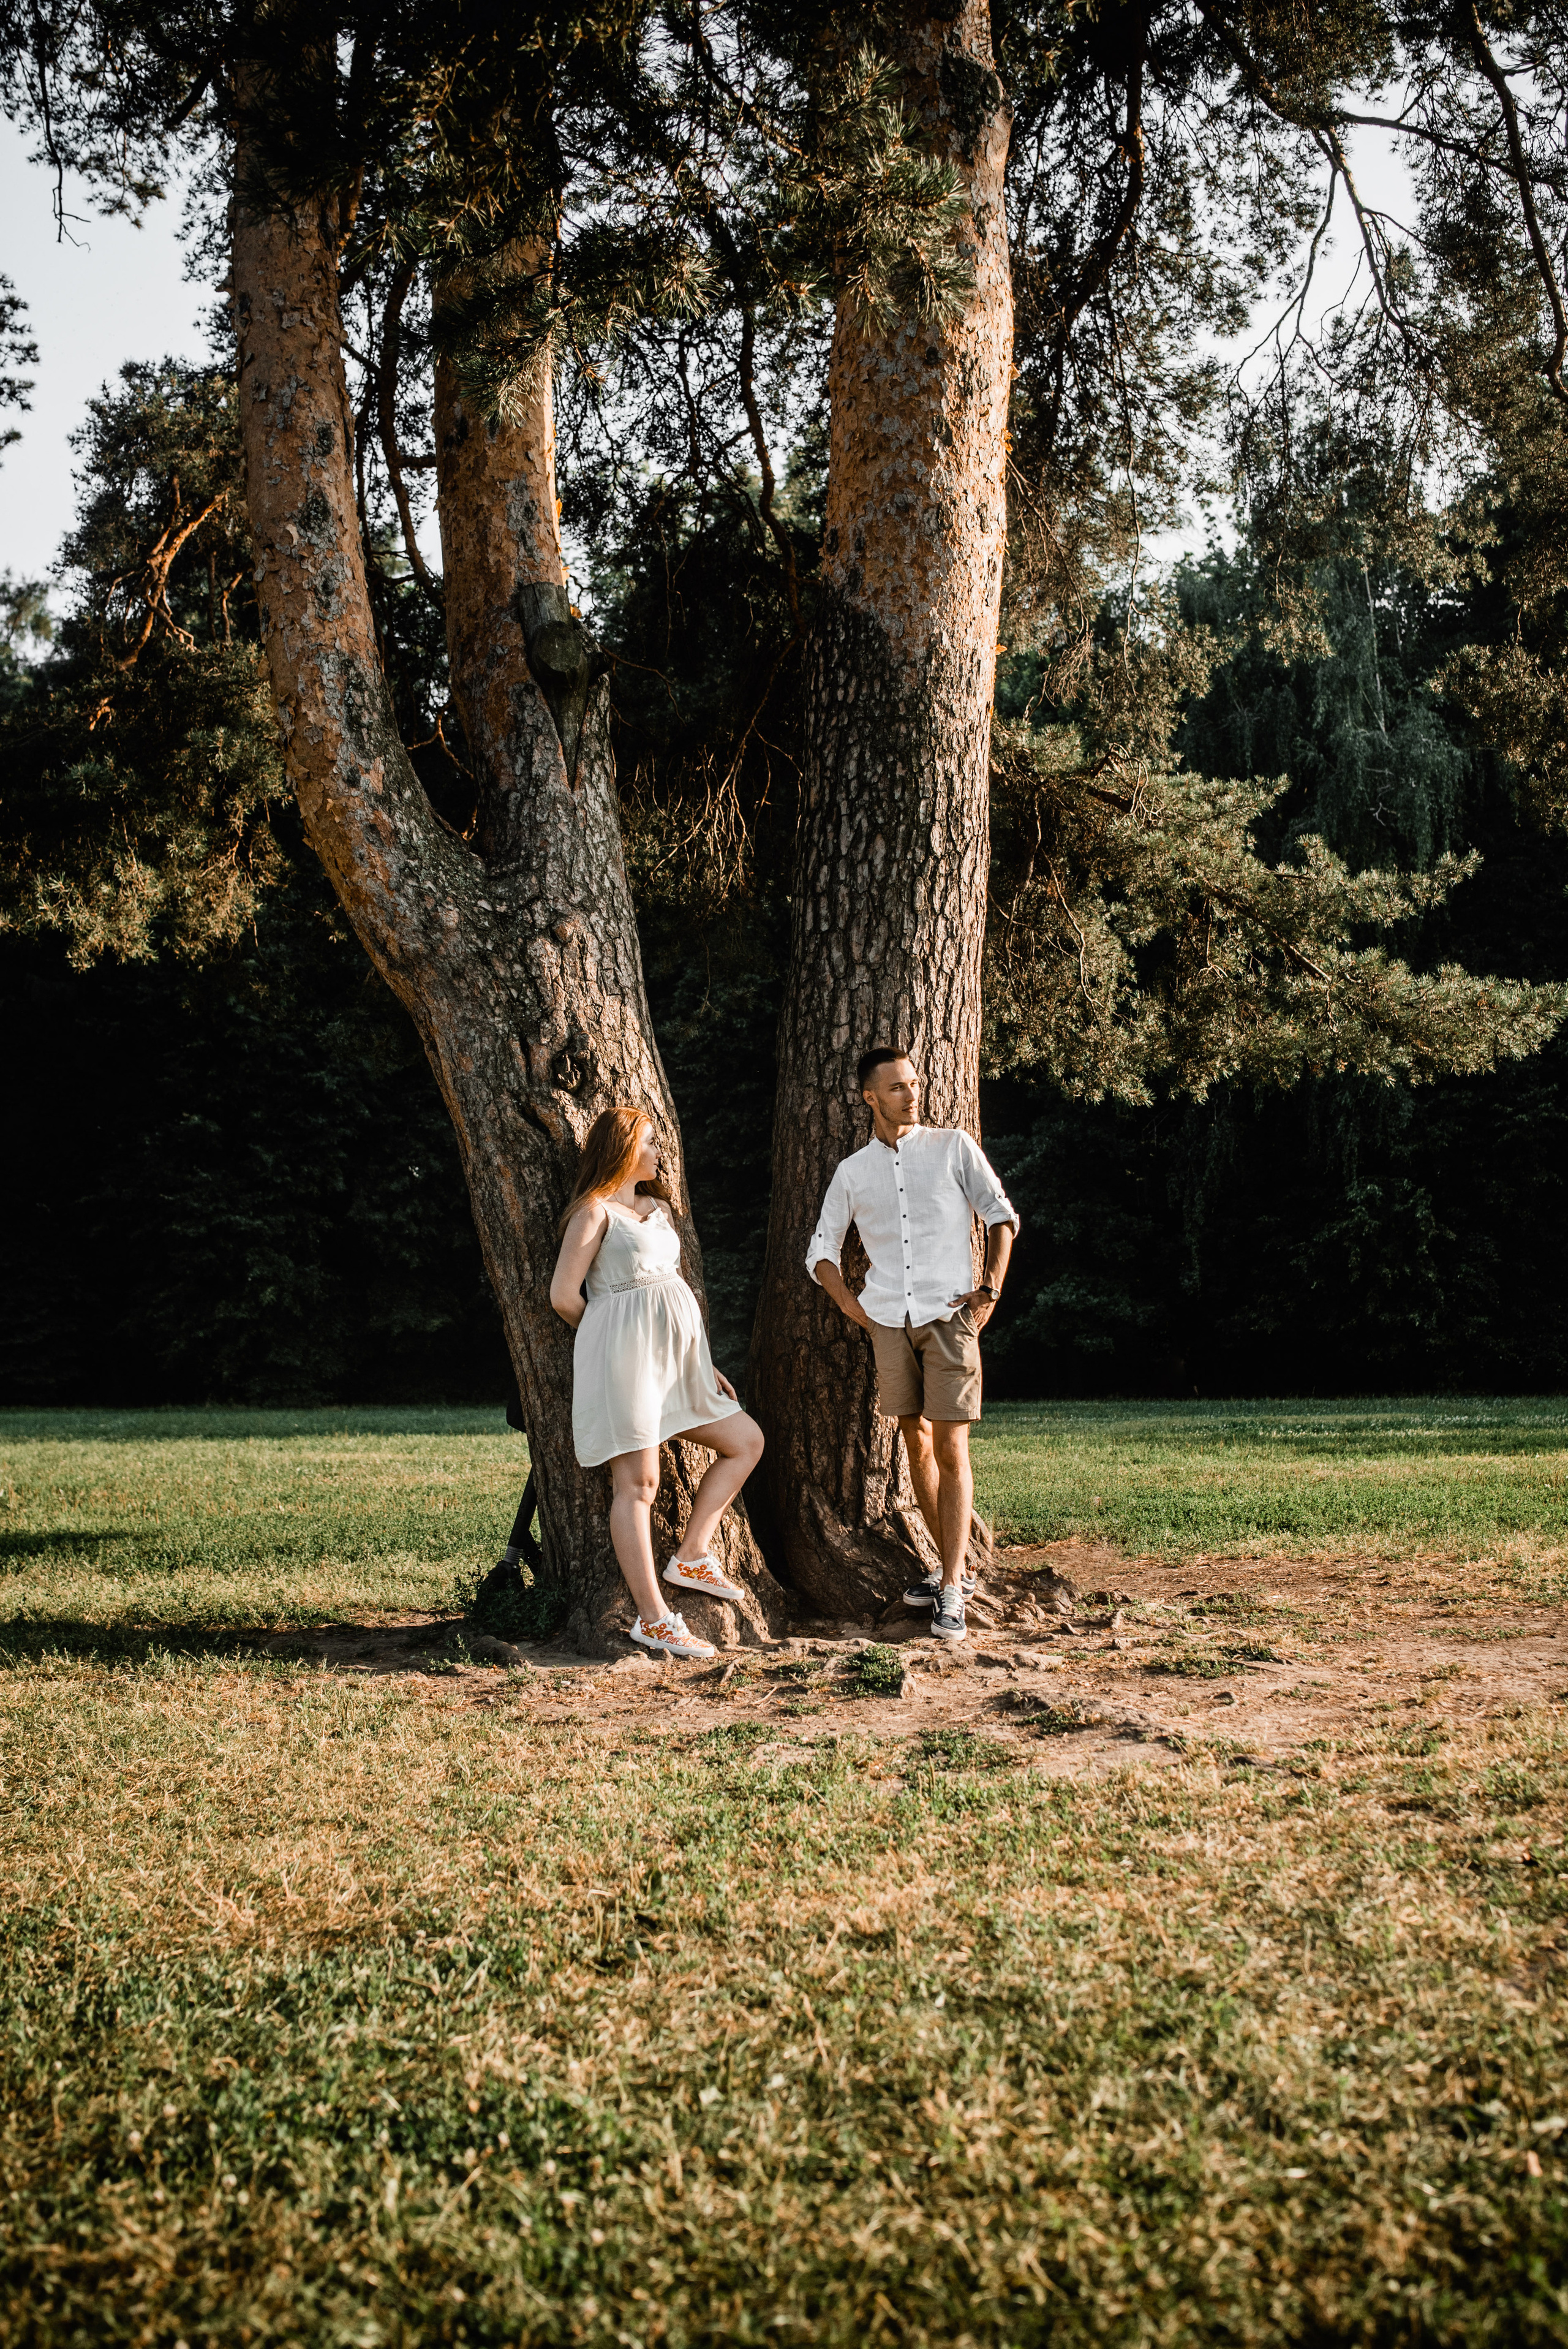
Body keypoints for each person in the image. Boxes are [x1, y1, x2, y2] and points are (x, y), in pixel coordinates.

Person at [806, 1047, 1018, 1646]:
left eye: (915, 1083)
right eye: (897, 1087)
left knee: (951, 1446)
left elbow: (1001, 1217)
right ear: (869, 1096)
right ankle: (948, 1566)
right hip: (888, 1320)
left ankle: (951, 1582)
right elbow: (820, 1249)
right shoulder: (853, 1171)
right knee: (914, 1442)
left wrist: (990, 1290)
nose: (911, 1093)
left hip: (950, 1316)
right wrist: (853, 1307)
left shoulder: (953, 1148)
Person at [549, 1105, 764, 1659]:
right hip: (625, 1365)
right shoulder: (594, 1214)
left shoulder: (660, 1210)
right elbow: (564, 1297)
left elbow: (671, 1290)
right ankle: (655, 1619)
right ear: (623, 1151)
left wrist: (699, 1359)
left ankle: (692, 1553)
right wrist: (617, 1341)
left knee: (746, 1442)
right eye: (649, 1142)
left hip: (682, 1364)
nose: (658, 1152)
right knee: (639, 1485)